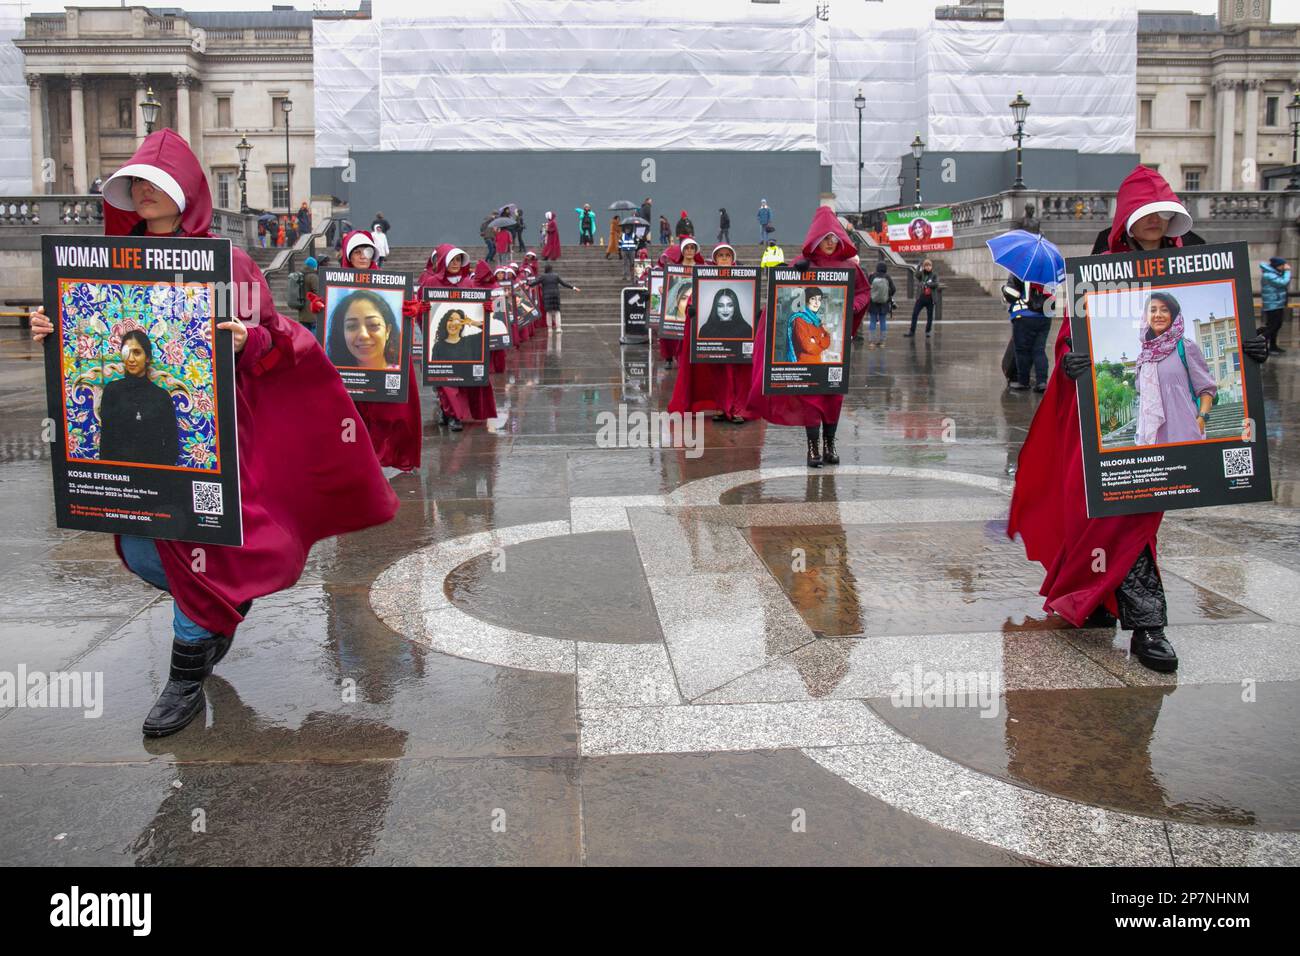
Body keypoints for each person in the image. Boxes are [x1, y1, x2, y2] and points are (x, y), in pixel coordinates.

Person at [30, 129, 397, 736]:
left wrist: (248, 338)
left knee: (194, 545)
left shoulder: (231, 264)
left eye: (157, 182)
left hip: (213, 438)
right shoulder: (100, 260)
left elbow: (285, 339)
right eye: (135, 184)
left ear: (186, 192)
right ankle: (221, 607)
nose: (143, 192)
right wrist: (55, 329)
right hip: (127, 447)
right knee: (149, 550)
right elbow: (88, 343)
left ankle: (184, 675)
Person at [1009, 164, 1271, 674]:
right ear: (1129, 219)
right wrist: (1071, 361)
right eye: (1146, 214)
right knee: (1112, 517)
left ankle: (1143, 622)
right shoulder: (1103, 270)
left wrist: (1250, 349)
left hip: (1174, 436)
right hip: (1117, 435)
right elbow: (1074, 336)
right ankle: (1125, 612)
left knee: (1133, 523)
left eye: (1163, 214)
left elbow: (1224, 349)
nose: (1154, 222)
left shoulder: (1196, 267)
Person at [745, 207, 868, 469]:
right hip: (808, 353)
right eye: (826, 239)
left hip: (835, 349)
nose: (830, 243)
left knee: (833, 396)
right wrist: (793, 273)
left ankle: (830, 444)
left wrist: (853, 308)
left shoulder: (850, 268)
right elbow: (780, 297)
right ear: (816, 240)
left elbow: (863, 294)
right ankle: (813, 448)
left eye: (834, 239)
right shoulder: (801, 265)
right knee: (811, 397)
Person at [308, 230, 424, 470]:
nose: (362, 256)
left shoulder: (387, 281)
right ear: (348, 255)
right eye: (357, 251)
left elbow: (402, 311)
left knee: (392, 407)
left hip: (383, 362)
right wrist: (320, 306)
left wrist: (410, 310)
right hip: (350, 364)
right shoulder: (336, 281)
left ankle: (388, 451)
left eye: (367, 251)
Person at [668, 243, 750, 424]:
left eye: (727, 255)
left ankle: (736, 408)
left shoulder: (744, 279)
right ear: (715, 259)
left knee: (736, 374)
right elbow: (694, 300)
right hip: (714, 337)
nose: (724, 259)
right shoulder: (705, 278)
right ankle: (721, 407)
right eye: (720, 255)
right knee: (718, 374)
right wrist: (692, 310)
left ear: (732, 258)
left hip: (737, 337)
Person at [420, 244, 498, 431]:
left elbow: (477, 313)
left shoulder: (468, 284)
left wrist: (485, 309)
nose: (455, 264)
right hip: (439, 341)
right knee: (444, 382)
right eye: (451, 259)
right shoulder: (431, 282)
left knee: (459, 380)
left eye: (458, 260)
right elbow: (421, 308)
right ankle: (452, 415)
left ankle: (449, 413)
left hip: (462, 342)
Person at [1131, 292, 1216, 445]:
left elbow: (1206, 389)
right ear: (1146, 317)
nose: (1158, 315)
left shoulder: (1185, 347)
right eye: (1153, 310)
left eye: (1164, 310)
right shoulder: (1144, 357)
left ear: (1173, 315)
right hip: (1152, 438)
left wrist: (1202, 419)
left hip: (1185, 433)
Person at [98, 329, 181, 466]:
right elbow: (106, 441)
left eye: (137, 352)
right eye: (127, 352)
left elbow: (172, 446)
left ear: (147, 357)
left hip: (154, 477)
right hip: (120, 478)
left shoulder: (161, 396)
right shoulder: (112, 391)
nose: (131, 359)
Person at [326, 289, 403, 370]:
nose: (363, 335)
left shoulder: (402, 375)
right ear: (342, 333)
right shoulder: (332, 375)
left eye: (373, 324)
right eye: (352, 326)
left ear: (387, 330)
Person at [1003, 273, 1052, 393]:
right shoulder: (1050, 274)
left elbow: (1012, 295)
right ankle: (1042, 382)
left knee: (1022, 351)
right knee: (1039, 350)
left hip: (1023, 316)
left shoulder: (1019, 272)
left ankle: (1023, 382)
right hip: (1044, 317)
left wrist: (1004, 289)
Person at [529, 264, 580, 331]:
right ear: (551, 269)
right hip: (555, 295)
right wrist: (573, 287)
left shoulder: (543, 276)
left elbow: (534, 283)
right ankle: (558, 328)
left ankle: (549, 328)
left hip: (547, 296)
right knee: (557, 312)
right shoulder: (556, 276)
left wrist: (527, 284)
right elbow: (564, 283)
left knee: (548, 312)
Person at [1260, 256, 1290, 354]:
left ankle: (1273, 346)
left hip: (1277, 304)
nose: (1284, 267)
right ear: (1277, 266)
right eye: (1282, 265)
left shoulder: (1273, 273)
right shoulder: (1269, 275)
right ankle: (1260, 340)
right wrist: (1287, 271)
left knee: (1276, 325)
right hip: (1272, 305)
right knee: (1273, 326)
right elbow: (1283, 282)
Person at [905, 259, 939, 339]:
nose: (928, 267)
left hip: (930, 298)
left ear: (931, 266)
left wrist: (928, 284)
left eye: (929, 265)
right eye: (926, 265)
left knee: (930, 316)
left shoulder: (934, 274)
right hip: (921, 297)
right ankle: (912, 331)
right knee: (915, 314)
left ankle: (928, 331)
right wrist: (919, 266)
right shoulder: (922, 274)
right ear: (924, 267)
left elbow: (936, 283)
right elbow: (916, 275)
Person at [866, 261, 895, 348]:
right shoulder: (887, 277)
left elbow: (867, 287)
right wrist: (888, 294)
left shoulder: (872, 276)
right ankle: (882, 342)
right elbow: (893, 289)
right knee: (883, 321)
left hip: (873, 302)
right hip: (884, 303)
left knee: (872, 321)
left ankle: (872, 342)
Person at [296, 255, 320, 331]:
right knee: (313, 333)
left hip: (302, 310)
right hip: (311, 311)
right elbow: (317, 292)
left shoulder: (300, 275)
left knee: (305, 333)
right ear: (313, 266)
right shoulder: (313, 277)